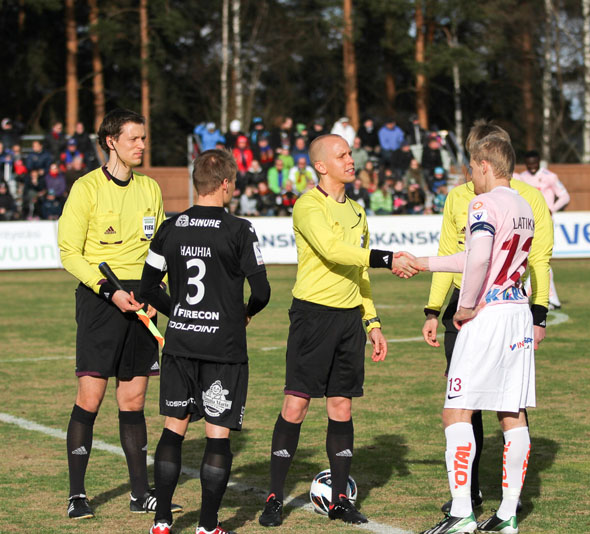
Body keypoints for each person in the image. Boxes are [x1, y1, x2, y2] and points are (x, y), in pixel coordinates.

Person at [258, 134, 416, 527]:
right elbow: (332, 249)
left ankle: (341, 500)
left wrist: (373, 322)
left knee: (341, 406)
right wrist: (386, 257)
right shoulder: (307, 205)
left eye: (350, 153)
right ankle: (275, 497)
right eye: (342, 155)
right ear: (322, 166)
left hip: (349, 321)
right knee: (296, 405)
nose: (351, 160)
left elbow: (358, 272)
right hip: (312, 317)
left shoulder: (360, 212)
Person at [422, 121, 553, 518]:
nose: (470, 176)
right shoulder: (524, 203)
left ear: (482, 165)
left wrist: (463, 307)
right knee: (511, 410)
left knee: (457, 408)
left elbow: (477, 259)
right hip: (516, 308)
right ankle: (508, 513)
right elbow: (524, 259)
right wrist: (423, 263)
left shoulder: (482, 202)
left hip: (486, 310)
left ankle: (462, 511)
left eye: (471, 167)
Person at [139, 149, 271, 534]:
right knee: (217, 434)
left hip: (180, 343)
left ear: (196, 183)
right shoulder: (240, 229)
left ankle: (162, 521)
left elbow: (147, 287)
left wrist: (177, 309)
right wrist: (243, 313)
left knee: (172, 428)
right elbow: (261, 291)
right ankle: (208, 525)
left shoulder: (169, 227)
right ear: (227, 184)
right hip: (223, 349)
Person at [57, 109, 180, 519]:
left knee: (134, 399)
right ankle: (77, 494)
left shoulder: (150, 189)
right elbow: (69, 253)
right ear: (111, 141)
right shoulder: (86, 188)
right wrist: (110, 291)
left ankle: (140, 493)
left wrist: (153, 293)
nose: (141, 145)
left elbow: (160, 251)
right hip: (100, 301)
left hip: (143, 301)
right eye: (133, 139)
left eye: (143, 138)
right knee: (90, 397)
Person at [515, 149, 568, 310]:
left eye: (534, 163)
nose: (532, 167)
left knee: (540, 260)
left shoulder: (550, 176)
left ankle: (547, 298)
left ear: (539, 162)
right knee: (529, 260)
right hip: (527, 222)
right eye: (529, 164)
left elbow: (565, 196)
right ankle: (549, 298)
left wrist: (552, 209)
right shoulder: (521, 178)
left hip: (544, 223)